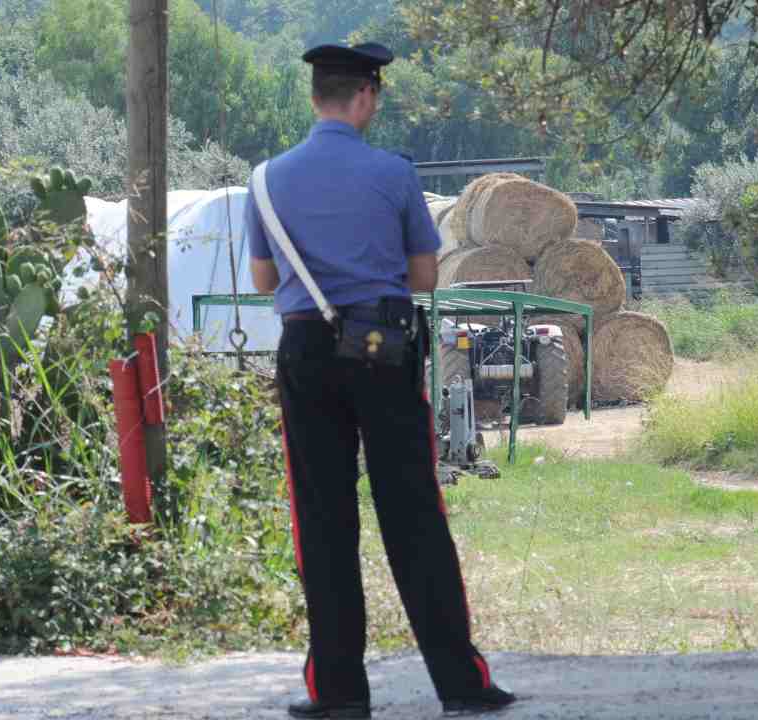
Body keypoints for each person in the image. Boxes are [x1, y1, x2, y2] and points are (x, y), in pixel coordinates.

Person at [245, 41, 516, 720]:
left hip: (307, 349)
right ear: (365, 96)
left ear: (316, 98)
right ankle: (461, 683)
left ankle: (338, 693)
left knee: (323, 518)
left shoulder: (265, 180)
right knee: (414, 512)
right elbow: (424, 277)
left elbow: (264, 280)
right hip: (384, 347)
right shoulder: (394, 173)